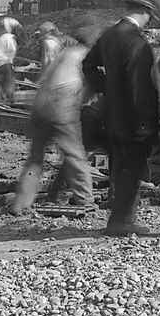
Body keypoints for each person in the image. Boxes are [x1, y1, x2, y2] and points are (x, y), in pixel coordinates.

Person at [81, 0, 160, 233]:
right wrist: (146, 121)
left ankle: (118, 219)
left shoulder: (110, 35)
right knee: (132, 168)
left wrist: (107, 88)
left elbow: (88, 65)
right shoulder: (136, 42)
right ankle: (123, 221)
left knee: (119, 165)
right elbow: (140, 87)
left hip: (112, 113)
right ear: (146, 12)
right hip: (132, 117)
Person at [8, 20, 95, 217]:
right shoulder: (87, 56)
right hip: (60, 104)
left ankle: (21, 202)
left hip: (40, 104)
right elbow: (89, 87)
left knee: (35, 158)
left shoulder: (65, 53)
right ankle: (85, 199)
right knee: (74, 153)